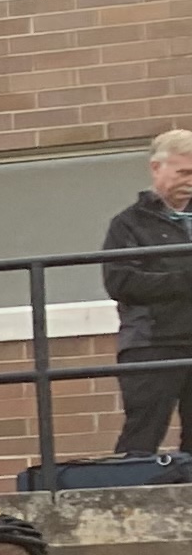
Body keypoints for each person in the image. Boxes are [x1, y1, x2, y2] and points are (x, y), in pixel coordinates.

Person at [98, 126, 192, 458]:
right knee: (143, 432)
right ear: (157, 168)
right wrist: (184, 278)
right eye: (184, 172)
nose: (190, 180)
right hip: (151, 342)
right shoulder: (128, 224)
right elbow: (120, 282)